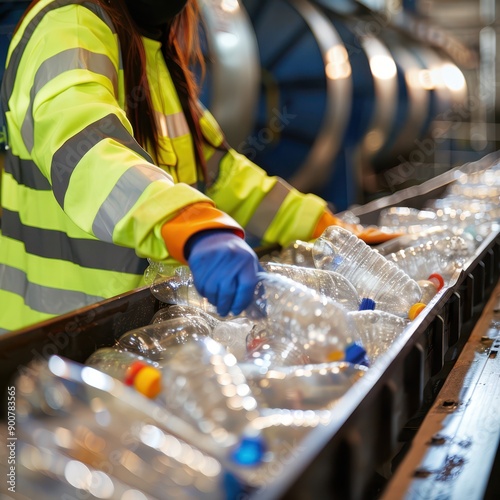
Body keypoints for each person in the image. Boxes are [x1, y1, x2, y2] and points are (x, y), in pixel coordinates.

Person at [0, 0, 396, 333]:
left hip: (128, 332)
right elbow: (87, 151)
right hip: (53, 341)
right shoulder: (66, 26)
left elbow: (220, 172)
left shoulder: (150, 50)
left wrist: (322, 228)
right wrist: (193, 226)